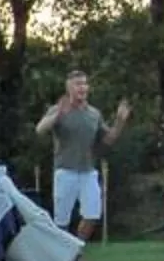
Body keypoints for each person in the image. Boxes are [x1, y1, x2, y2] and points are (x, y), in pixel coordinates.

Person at [36, 73, 130, 239]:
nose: (82, 88)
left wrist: (120, 121)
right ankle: (62, 255)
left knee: (92, 214)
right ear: (69, 88)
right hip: (65, 170)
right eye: (78, 84)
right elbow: (40, 130)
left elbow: (109, 139)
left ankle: (76, 251)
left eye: (85, 84)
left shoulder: (94, 114)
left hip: (88, 170)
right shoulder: (58, 110)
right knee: (61, 219)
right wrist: (58, 114)